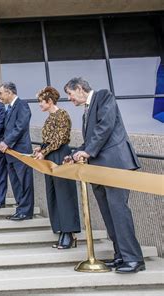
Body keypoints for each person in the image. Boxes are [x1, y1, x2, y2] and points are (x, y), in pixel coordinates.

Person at [64, 77, 145, 273]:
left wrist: (88, 151)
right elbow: (91, 138)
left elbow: (105, 127)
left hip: (114, 165)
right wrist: (75, 154)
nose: (70, 99)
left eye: (70, 93)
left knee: (119, 211)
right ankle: (120, 255)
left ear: (80, 88)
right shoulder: (86, 111)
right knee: (109, 214)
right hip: (98, 169)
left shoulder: (104, 96)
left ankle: (134, 259)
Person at [33, 86, 80, 249]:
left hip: (61, 156)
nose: (39, 105)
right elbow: (49, 139)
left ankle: (69, 233)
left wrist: (44, 151)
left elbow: (60, 139)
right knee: (53, 194)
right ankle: (61, 230)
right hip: (50, 156)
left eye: (41, 102)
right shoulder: (48, 117)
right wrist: (41, 148)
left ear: (49, 101)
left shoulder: (62, 115)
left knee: (64, 194)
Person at [0, 82, 34, 221]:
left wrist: (6, 142)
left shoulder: (22, 105)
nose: (0, 97)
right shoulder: (9, 108)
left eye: (1, 93)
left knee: (24, 182)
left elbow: (20, 127)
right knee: (16, 183)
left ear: (9, 92)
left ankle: (26, 211)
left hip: (20, 152)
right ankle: (20, 209)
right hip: (10, 154)